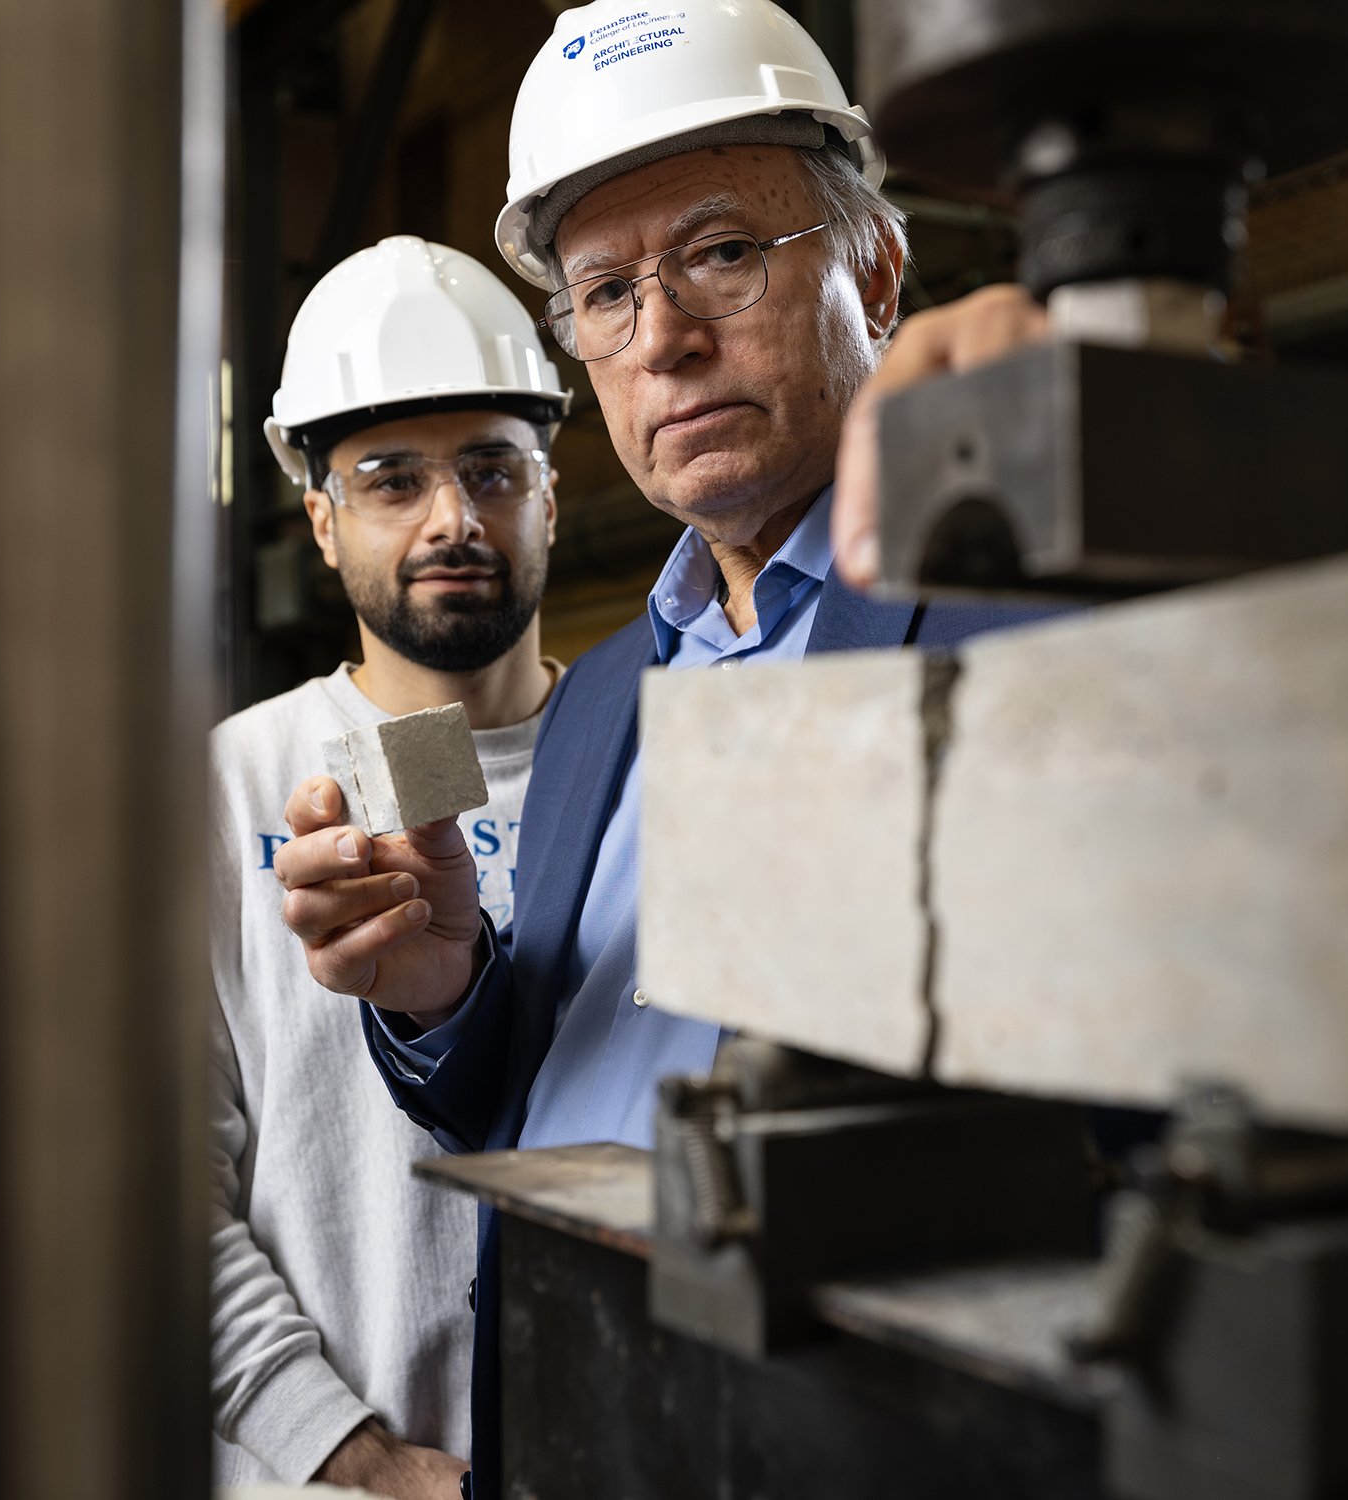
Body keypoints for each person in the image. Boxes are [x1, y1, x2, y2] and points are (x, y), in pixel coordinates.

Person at [269, 5, 1067, 1493]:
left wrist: (1148, 451)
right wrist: (447, 989)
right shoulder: (608, 702)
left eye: (719, 253)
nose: (665, 341)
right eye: (604, 292)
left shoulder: (1025, 595)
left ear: (877, 270)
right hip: (584, 1433)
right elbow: (529, 1091)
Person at [209, 236, 570, 1498]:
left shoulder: (641, 757)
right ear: (319, 517)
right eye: (389, 478)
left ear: (551, 492)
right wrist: (352, 1457)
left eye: (491, 469)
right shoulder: (233, 787)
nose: (453, 518)